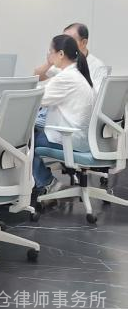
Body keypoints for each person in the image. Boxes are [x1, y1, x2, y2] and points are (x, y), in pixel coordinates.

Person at [33, 34, 94, 194]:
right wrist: (48, 63)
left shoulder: (66, 78)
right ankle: (37, 182)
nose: (48, 55)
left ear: (60, 54)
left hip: (70, 140)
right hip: (80, 138)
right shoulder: (75, 73)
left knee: (22, 141)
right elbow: (38, 75)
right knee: (30, 132)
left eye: (50, 51)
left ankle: (47, 182)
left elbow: (35, 100)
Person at [35, 23, 108, 91]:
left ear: (84, 43)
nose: (64, 44)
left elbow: (97, 95)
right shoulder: (63, 60)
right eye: (63, 40)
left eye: (69, 41)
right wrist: (49, 63)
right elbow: (37, 77)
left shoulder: (98, 66)